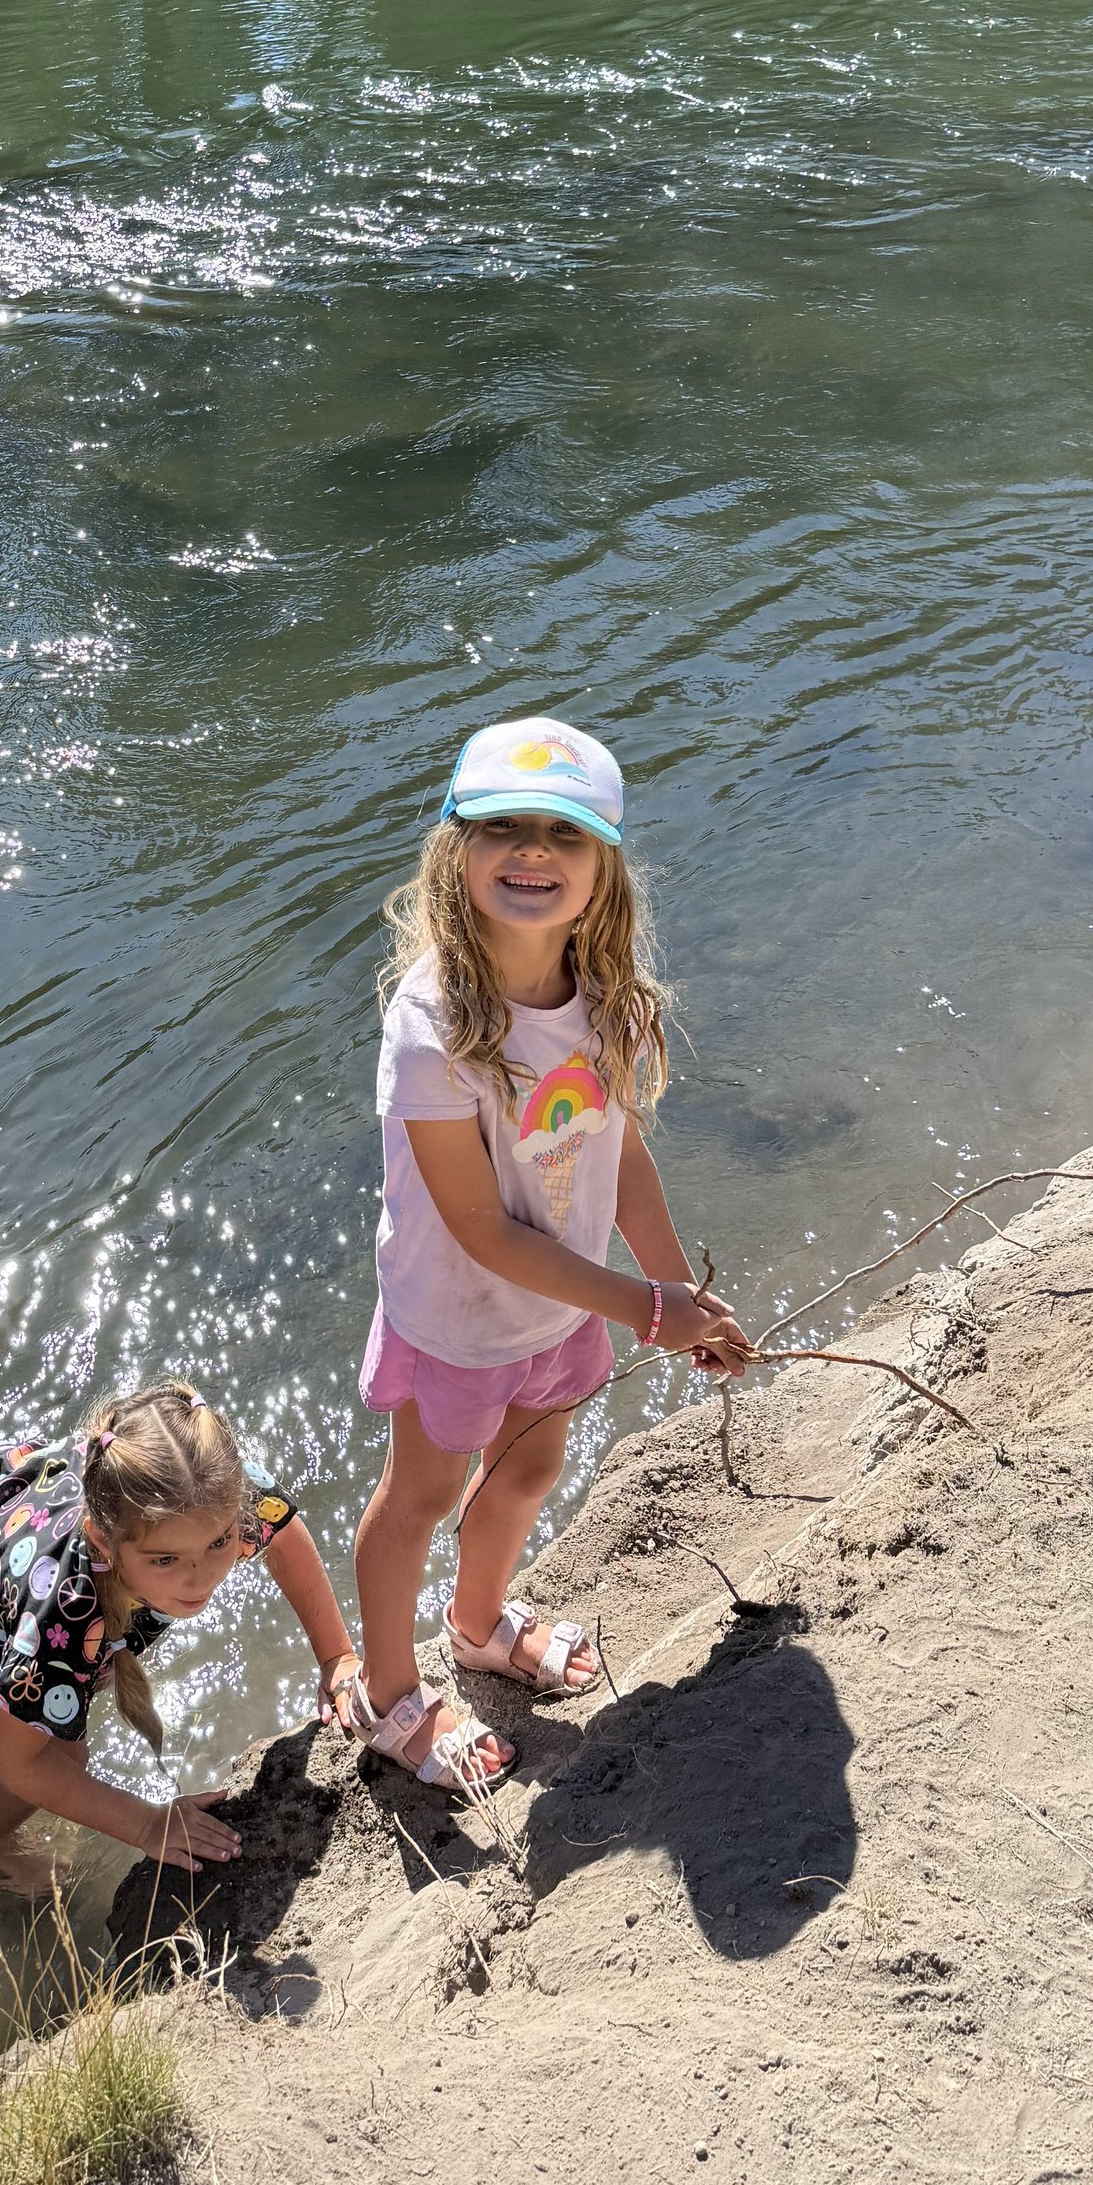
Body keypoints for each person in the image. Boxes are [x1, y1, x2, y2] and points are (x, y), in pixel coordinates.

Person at [348, 716, 756, 1792]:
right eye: (504, 829)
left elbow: (617, 1163)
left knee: (529, 1468)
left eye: (562, 835)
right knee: (419, 1501)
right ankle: (390, 1697)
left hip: (563, 1308)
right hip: (457, 1319)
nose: (532, 852)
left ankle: (478, 1626)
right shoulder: (432, 1023)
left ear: (602, 871)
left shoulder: (607, 999)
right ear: (457, 851)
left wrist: (678, 1295)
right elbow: (481, 1230)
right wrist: (642, 1308)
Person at [0, 1381, 360, 1889]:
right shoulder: (66, 1608)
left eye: (220, 1542)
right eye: (166, 1560)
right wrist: (147, 1824)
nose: (201, 1576)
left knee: (38, 1701)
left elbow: (283, 1534)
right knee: (59, 1751)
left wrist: (336, 1656)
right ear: (103, 1540)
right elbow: (20, 1763)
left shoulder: (202, 1488)